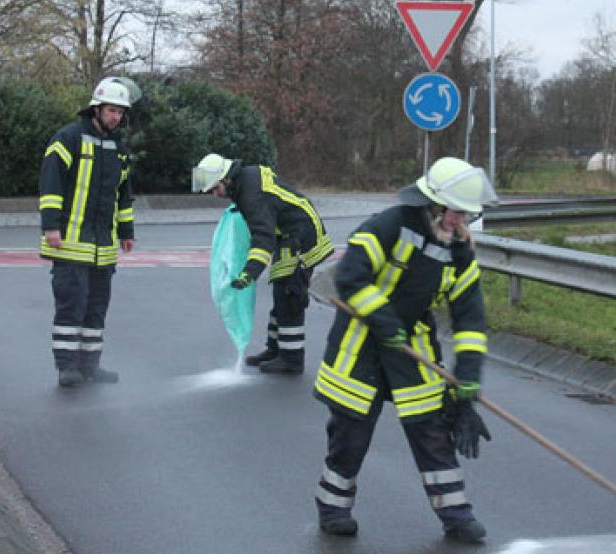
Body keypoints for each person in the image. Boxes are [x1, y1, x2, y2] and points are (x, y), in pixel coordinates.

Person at [312, 157, 496, 543]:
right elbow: (351, 276)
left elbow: (470, 319)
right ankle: (333, 507)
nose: (460, 220)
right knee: (350, 435)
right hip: (361, 342)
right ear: (434, 203)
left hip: (411, 344)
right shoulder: (390, 225)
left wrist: (468, 377)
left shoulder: (460, 251)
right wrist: (384, 322)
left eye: (466, 213)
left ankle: (457, 515)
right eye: (455, 211)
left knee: (431, 430)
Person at [38, 77, 139, 388]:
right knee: (71, 307)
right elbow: (51, 184)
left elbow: (123, 194)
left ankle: (90, 366)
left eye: (120, 112)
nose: (116, 117)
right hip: (70, 243)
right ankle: (67, 367)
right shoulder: (68, 139)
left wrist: (126, 231)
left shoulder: (118, 149)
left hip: (103, 248)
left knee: (96, 310)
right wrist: (51, 226)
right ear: (96, 109)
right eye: (111, 110)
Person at [192, 154, 333, 374]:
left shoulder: (251, 195)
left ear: (226, 179)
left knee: (290, 294)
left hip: (301, 237)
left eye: (215, 188)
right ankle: (275, 350)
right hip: (289, 234)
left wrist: (248, 274)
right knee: (280, 291)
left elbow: (262, 239)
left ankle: (292, 359)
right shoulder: (244, 181)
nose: (214, 194)